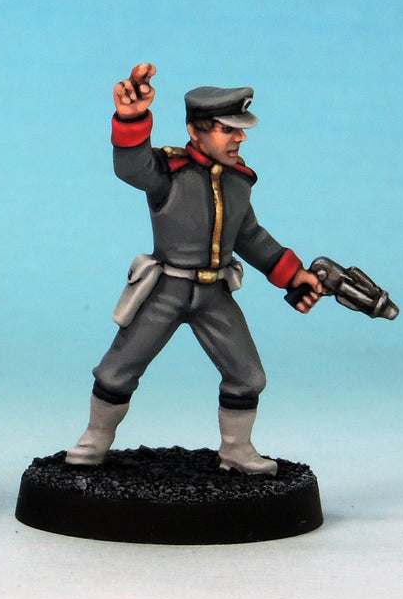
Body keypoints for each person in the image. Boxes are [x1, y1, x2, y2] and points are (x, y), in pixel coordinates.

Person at [66, 63, 323, 475]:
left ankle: (237, 450)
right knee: (117, 371)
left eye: (241, 129)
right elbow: (130, 167)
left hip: (214, 295)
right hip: (165, 289)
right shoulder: (169, 172)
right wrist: (132, 117)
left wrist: (293, 276)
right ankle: (95, 438)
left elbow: (250, 236)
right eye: (227, 129)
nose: (240, 137)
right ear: (195, 131)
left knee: (248, 377)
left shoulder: (238, 182)